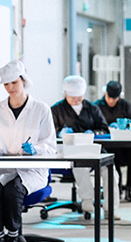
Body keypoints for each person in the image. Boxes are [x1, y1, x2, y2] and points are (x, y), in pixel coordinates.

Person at [0, 60, 57, 242]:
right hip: (2, 167)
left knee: (13, 190)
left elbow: (50, 146)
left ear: (23, 80)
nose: (10, 88)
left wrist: (36, 150)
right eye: (6, 84)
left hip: (31, 169)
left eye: (14, 83)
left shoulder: (41, 109)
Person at [51, 75, 121, 220]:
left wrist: (93, 133)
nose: (76, 100)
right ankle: (87, 200)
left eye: (79, 97)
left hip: (94, 149)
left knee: (110, 171)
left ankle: (110, 208)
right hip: (71, 152)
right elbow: (50, 133)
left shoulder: (92, 108)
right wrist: (60, 133)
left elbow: (104, 128)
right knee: (80, 165)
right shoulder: (57, 110)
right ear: (65, 94)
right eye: (73, 97)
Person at [94, 80, 131, 202]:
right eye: (109, 97)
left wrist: (124, 126)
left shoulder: (126, 106)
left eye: (114, 98)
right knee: (112, 157)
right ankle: (116, 188)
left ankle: (130, 187)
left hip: (125, 144)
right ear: (105, 94)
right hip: (108, 145)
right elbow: (94, 125)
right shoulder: (97, 106)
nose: (111, 101)